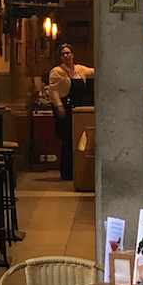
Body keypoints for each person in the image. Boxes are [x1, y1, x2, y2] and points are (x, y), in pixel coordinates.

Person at [47, 43, 94, 181]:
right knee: (67, 140)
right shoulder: (57, 71)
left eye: (68, 53)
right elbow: (53, 91)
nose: (66, 56)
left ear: (73, 54)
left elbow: (93, 72)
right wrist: (59, 107)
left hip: (79, 109)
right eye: (63, 54)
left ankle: (78, 170)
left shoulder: (80, 69)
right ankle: (66, 172)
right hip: (65, 109)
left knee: (79, 139)